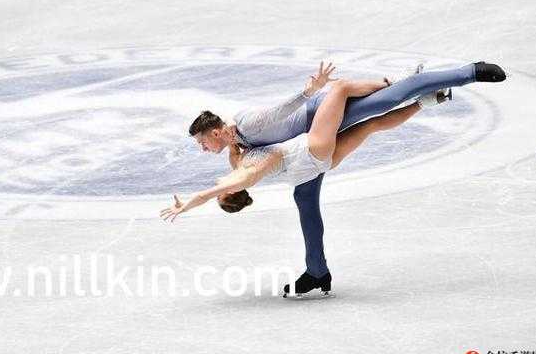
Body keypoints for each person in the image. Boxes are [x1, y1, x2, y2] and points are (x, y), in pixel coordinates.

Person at [164, 60, 506, 296]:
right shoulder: (234, 149)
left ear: (217, 131)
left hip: (320, 120)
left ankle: (466, 73)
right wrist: (229, 192)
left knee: (384, 102)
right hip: (307, 150)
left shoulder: (248, 124)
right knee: (306, 201)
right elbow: (235, 181)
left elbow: (282, 111)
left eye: (202, 141)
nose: (201, 148)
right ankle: (317, 271)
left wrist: (310, 90)